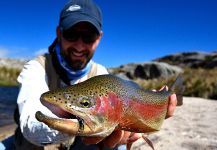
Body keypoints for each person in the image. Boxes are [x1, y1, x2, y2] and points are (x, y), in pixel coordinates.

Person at [14, 0, 178, 149]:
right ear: (59, 32)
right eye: (71, 33)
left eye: (88, 36)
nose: (79, 45)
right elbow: (31, 125)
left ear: (99, 38)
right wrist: (74, 124)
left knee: (117, 144)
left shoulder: (100, 73)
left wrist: (138, 125)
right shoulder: (36, 68)